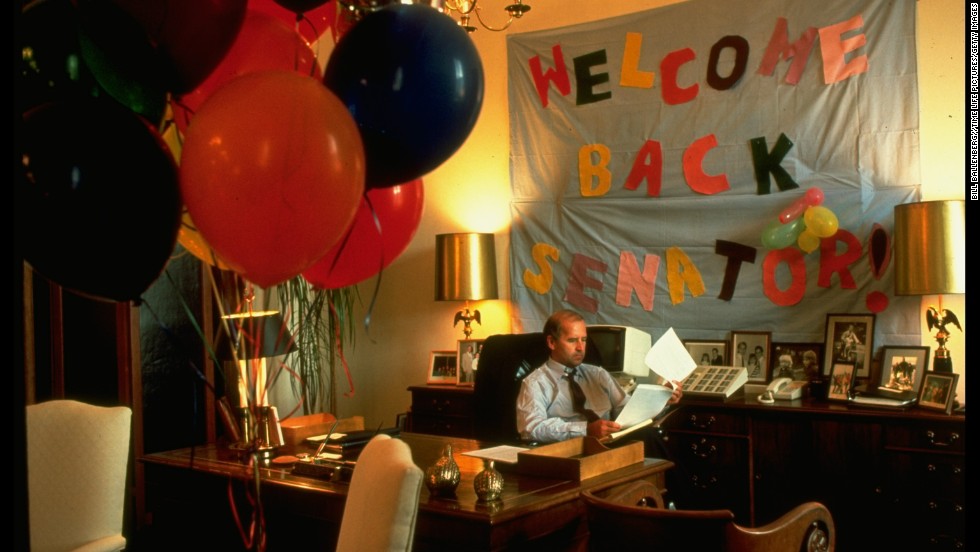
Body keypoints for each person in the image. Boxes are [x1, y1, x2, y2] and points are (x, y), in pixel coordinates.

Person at [515, 310, 683, 443]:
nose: (581, 348)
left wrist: (662, 400)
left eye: (584, 340)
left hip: (612, 443)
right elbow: (530, 428)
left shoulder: (598, 374)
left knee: (652, 437)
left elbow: (627, 411)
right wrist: (586, 430)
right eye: (573, 340)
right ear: (552, 342)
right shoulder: (535, 383)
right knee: (651, 443)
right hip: (574, 450)